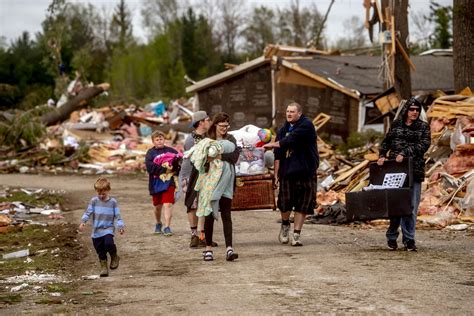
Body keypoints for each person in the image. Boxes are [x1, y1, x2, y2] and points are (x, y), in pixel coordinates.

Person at [377, 97, 430, 251]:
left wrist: (406, 153)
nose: (414, 112)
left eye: (417, 110)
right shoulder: (396, 125)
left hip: (414, 170)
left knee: (411, 206)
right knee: (395, 205)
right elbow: (386, 141)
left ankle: (409, 239)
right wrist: (382, 155)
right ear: (406, 110)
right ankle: (392, 236)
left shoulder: (423, 127)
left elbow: (424, 145)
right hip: (395, 171)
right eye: (412, 109)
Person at [264, 102, 319, 247]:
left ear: (299, 113)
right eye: (287, 111)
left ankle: (296, 235)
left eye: (292, 111)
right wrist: (276, 175)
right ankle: (285, 224)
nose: (289, 114)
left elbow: (290, 140)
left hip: (306, 171)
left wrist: (273, 144)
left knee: (303, 204)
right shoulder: (282, 130)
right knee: (285, 203)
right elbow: (278, 156)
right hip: (288, 172)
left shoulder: (306, 125)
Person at [202, 112, 240, 261]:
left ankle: (229, 249)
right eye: (222, 126)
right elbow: (202, 158)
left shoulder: (231, 139)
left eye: (226, 126)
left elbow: (234, 157)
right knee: (209, 215)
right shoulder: (207, 139)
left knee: (226, 214)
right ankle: (208, 249)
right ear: (215, 125)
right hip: (210, 181)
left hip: (227, 181)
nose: (224, 128)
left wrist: (218, 156)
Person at [180, 111, 214, 247]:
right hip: (190, 175)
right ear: (201, 122)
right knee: (192, 205)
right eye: (208, 119)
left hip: (201, 175)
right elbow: (193, 159)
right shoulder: (191, 139)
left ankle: (202, 236)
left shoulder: (206, 137)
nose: (209, 121)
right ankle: (194, 236)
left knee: (203, 205)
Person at [79, 177, 124, 277]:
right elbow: (88, 212)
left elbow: (118, 216)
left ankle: (114, 256)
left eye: (103, 193)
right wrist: (83, 222)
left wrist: (120, 226)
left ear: (108, 190)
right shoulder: (94, 201)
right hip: (96, 230)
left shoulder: (113, 202)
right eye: (99, 193)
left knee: (109, 243)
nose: (101, 196)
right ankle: (104, 267)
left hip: (108, 229)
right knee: (100, 250)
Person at [145, 130, 180, 236]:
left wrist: (174, 169)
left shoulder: (171, 151)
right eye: (157, 139)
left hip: (169, 182)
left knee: (168, 204)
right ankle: (158, 223)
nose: (159, 141)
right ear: (153, 141)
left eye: (161, 139)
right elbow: (150, 167)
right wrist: (164, 170)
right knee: (157, 206)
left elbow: (178, 163)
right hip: (156, 183)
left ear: (164, 140)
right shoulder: (150, 153)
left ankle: (167, 226)